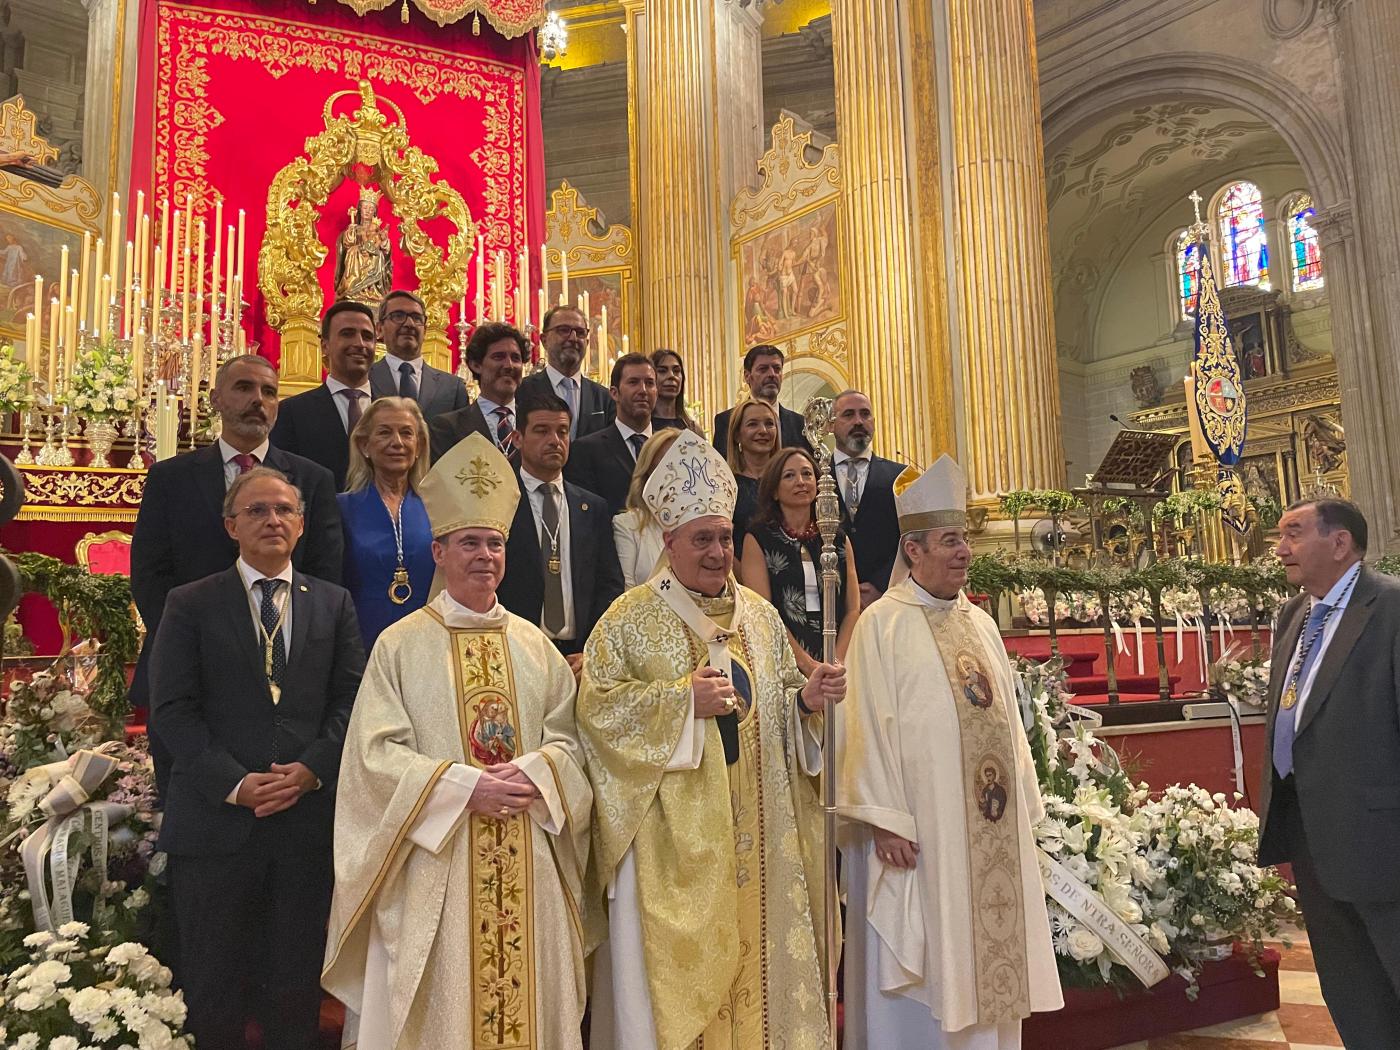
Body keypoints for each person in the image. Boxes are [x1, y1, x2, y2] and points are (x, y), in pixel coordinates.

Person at [322, 433, 593, 1050]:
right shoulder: (398, 645)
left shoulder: (536, 647)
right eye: (469, 542)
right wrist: (465, 787)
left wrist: (538, 773)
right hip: (438, 859)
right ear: (438, 552)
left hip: (528, 848)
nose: (485, 555)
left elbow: (570, 741)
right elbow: (373, 757)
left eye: (495, 543)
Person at [578, 428, 845, 1050]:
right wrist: (680, 703)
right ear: (668, 541)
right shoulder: (627, 620)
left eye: (725, 537)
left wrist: (804, 703)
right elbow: (598, 715)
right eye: (702, 539)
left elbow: (777, 708)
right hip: (676, 854)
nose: (719, 552)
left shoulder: (761, 616)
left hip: (763, 842)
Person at [838, 454, 1061, 1050]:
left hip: (988, 828)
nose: (964, 552)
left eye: (965, 540)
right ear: (913, 550)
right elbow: (863, 726)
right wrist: (884, 819)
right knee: (926, 967)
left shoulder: (982, 624)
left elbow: (1009, 725)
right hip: (919, 836)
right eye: (950, 541)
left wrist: (1024, 808)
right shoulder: (881, 626)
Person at [151, 467, 365, 1050]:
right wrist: (236, 783)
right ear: (231, 526)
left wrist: (313, 768)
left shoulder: (333, 603)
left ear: (301, 524)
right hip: (216, 825)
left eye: (284, 510)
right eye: (257, 511)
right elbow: (171, 710)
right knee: (214, 988)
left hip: (303, 825)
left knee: (294, 988)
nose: (273, 520)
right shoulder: (190, 603)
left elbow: (352, 698)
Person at [132, 354, 343, 790]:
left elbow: (325, 576)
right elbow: (150, 574)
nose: (258, 400)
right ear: (216, 399)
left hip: (290, 681)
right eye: (244, 388)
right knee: (196, 801)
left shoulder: (312, 479)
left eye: (269, 392)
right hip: (190, 677)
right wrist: (192, 643)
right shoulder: (171, 478)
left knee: (288, 805)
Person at [1257, 498, 1400, 1048]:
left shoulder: (1390, 607)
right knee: (1349, 981)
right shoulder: (1295, 614)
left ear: (1340, 543)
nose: (1280, 549)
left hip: (1382, 833)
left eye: (1293, 534)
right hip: (1311, 826)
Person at [498, 391, 624, 670]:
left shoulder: (592, 507)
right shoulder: (501, 502)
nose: (554, 440)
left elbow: (609, 584)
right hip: (516, 652)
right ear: (517, 438)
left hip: (579, 655)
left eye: (562, 431)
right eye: (542, 431)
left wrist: (593, 649)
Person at [739, 447, 860, 675]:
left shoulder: (837, 538)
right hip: (782, 662)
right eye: (789, 476)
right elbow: (763, 613)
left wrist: (837, 661)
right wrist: (805, 663)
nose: (801, 482)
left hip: (838, 664)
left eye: (807, 474)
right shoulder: (758, 539)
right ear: (774, 491)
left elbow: (853, 609)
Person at [337, 396, 435, 649]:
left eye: (406, 433)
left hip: (426, 640)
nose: (397, 442)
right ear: (364, 445)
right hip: (361, 639)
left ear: (419, 446)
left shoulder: (438, 507)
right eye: (384, 433)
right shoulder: (341, 508)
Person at [270, 300, 377, 491]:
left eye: (367, 336)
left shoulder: (392, 410)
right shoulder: (292, 412)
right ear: (325, 346)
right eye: (347, 334)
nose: (359, 343)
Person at [831, 390, 905, 608]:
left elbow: (910, 539)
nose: (858, 421)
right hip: (831, 598)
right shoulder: (813, 477)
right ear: (831, 424)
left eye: (865, 414)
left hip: (887, 599)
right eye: (848, 414)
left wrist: (881, 585)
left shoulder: (901, 477)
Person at [564, 352, 657, 516]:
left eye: (649, 383)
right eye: (633, 382)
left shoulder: (669, 448)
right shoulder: (586, 450)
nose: (643, 390)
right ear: (614, 393)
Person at [427, 321, 526, 463]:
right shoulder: (447, 427)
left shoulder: (536, 424)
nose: (509, 365)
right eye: (498, 357)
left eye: (516, 358)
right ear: (476, 365)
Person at [518, 304, 615, 440]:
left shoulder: (604, 398)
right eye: (563, 330)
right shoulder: (522, 391)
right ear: (544, 340)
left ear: (587, 342)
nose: (573, 338)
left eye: (580, 332)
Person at [368, 289, 469, 419]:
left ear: (425, 330)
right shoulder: (365, 379)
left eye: (417, 318)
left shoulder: (453, 387)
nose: (409, 324)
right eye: (398, 316)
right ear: (379, 329)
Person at [712, 344, 811, 458]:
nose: (772, 374)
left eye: (777, 369)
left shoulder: (800, 423)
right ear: (747, 376)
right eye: (763, 369)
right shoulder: (727, 421)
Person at [612, 428, 682, 587]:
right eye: (664, 466)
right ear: (647, 474)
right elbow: (627, 593)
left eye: (680, 464)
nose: (673, 475)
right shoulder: (627, 525)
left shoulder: (703, 525)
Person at [725, 397, 779, 550]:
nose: (763, 431)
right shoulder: (725, 484)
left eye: (769, 424)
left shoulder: (786, 479)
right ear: (737, 435)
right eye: (752, 424)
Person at [650, 348, 701, 433]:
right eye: (662, 371)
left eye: (676, 371)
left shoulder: (694, 429)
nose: (671, 376)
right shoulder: (641, 428)